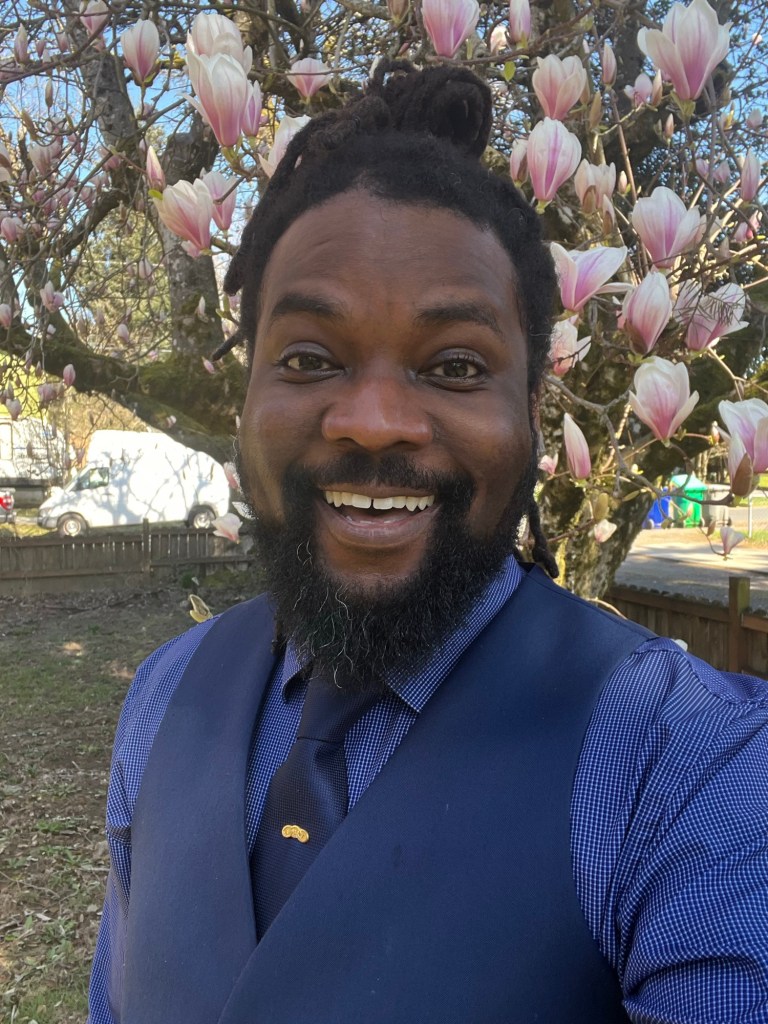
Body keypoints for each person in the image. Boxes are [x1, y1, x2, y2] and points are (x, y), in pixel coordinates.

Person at [87, 62, 768, 1024]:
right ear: (244, 400)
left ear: (532, 412)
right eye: (309, 358)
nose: (373, 422)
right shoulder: (164, 700)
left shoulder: (685, 763)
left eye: (453, 366)